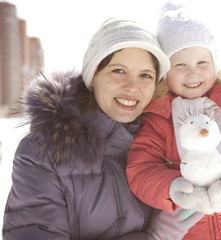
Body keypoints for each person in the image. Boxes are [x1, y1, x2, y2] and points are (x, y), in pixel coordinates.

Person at [2, 18, 205, 240]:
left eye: (146, 75)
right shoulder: (44, 152)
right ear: (93, 77)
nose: (132, 87)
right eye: (118, 71)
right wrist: (155, 237)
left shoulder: (165, 143)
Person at [126, 7, 221, 240]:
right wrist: (173, 188)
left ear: (214, 63)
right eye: (180, 65)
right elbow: (141, 168)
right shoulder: (159, 117)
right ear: (165, 72)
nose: (193, 73)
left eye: (202, 62)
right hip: (189, 231)